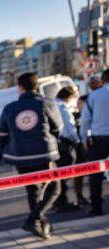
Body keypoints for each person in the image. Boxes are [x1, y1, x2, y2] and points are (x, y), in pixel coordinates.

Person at [0, 72, 63, 239]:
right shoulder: (46, 103)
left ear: (20, 88)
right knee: (53, 189)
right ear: (36, 86)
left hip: (19, 156)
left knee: (32, 190)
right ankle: (34, 219)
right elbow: (57, 129)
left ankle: (39, 223)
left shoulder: (10, 108)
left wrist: (6, 150)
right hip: (44, 154)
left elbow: (0, 135)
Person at [80, 68, 109, 216]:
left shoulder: (93, 96)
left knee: (95, 175)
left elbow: (85, 120)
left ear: (103, 81)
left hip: (99, 140)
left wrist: (84, 139)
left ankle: (96, 207)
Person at [52, 86, 81, 212]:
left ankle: (57, 200)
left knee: (57, 174)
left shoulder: (51, 104)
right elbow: (69, 129)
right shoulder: (62, 108)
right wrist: (77, 141)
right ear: (68, 97)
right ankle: (61, 201)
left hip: (54, 145)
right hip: (64, 145)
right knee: (65, 174)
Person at [73, 94, 90, 206]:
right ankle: (79, 195)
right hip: (79, 149)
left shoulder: (93, 115)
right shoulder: (74, 116)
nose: (78, 105)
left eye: (80, 103)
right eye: (77, 103)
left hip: (94, 145)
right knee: (79, 173)